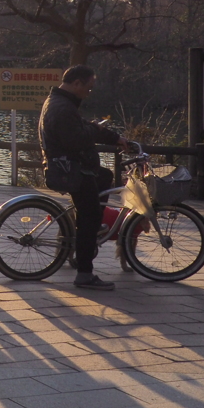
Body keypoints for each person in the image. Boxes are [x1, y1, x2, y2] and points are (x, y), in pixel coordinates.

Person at [38, 65, 129, 290]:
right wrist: (97, 130)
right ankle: (85, 274)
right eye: (88, 88)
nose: (89, 92)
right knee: (89, 217)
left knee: (104, 177)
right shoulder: (62, 108)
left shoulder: (60, 103)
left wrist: (111, 136)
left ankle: (89, 233)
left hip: (72, 168)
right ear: (76, 83)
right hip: (72, 171)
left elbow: (80, 131)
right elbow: (77, 140)